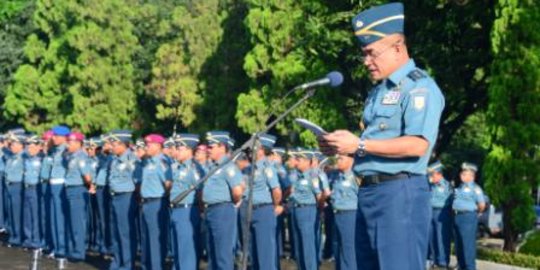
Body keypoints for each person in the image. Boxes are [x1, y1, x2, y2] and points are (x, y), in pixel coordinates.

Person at [318, 3, 445, 269]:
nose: (366, 61)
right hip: (369, 192)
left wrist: (359, 144)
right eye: (364, 54)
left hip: (399, 194)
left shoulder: (419, 87)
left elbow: (418, 145)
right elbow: (374, 145)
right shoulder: (378, 92)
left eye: (371, 53)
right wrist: (343, 147)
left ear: (398, 48)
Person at [240, 134, 283, 270]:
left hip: (263, 211)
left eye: (252, 149)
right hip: (248, 210)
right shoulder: (247, 169)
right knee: (253, 253)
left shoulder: (267, 168)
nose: (249, 152)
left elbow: (276, 191)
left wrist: (273, 206)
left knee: (265, 254)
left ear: (261, 150)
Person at [202, 131, 244, 270]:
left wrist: (231, 203)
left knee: (223, 256)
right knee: (212, 254)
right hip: (211, 211)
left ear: (222, 147)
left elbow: (238, 190)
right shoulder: (213, 166)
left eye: (211, 147)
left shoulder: (228, 166)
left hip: (222, 211)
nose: (209, 150)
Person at [136, 134, 172, 270]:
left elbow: (168, 184)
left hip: (156, 203)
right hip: (145, 203)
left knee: (155, 240)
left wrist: (163, 199)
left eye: (149, 145)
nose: (146, 147)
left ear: (158, 146)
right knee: (146, 239)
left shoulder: (162, 162)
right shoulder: (148, 162)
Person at [170, 134, 204, 270]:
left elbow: (200, 192)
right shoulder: (179, 167)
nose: (176, 151)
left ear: (189, 149)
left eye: (179, 148)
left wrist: (200, 211)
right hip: (176, 210)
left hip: (187, 211)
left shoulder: (194, 169)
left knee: (186, 252)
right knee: (177, 251)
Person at [107, 130, 138, 270]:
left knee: (125, 233)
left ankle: (127, 264)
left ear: (122, 144)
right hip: (115, 197)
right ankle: (117, 262)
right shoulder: (114, 160)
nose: (111, 146)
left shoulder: (131, 159)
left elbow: (137, 181)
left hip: (126, 197)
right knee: (116, 232)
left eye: (114, 144)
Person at [287, 148, 322, 270]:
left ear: (308, 162)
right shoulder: (298, 176)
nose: (297, 162)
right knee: (299, 247)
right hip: (296, 210)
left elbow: (319, 195)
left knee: (308, 247)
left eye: (299, 160)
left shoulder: (313, 176)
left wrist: (319, 210)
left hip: (308, 211)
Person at [64, 131, 94, 261]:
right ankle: (74, 249)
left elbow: (87, 177)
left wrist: (89, 185)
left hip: (78, 190)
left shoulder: (81, 156)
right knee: (72, 222)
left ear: (78, 143)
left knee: (78, 223)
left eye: (70, 142)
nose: (68, 144)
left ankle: (79, 252)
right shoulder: (73, 156)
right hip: (71, 189)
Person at [452, 162, 485, 270]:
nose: (463, 176)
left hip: (468, 217)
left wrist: (475, 213)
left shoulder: (475, 188)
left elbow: (481, 205)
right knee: (459, 245)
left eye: (466, 174)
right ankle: (461, 266)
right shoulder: (460, 187)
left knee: (468, 245)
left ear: (472, 176)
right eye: (462, 174)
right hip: (457, 217)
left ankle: (470, 267)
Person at [329, 154, 359, 270]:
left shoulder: (356, 177)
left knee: (348, 250)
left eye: (341, 158)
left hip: (350, 215)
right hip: (337, 214)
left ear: (351, 160)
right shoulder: (337, 176)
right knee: (337, 248)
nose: (338, 161)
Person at [427, 161, 453, 269]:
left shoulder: (447, 186)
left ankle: (443, 262)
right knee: (431, 236)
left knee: (441, 238)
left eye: (432, 175)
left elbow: (451, 201)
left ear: (439, 174)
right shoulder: (429, 185)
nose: (431, 177)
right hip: (430, 212)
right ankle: (433, 260)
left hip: (442, 213)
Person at [4, 132, 26, 247]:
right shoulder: (12, 157)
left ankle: (18, 237)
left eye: (14, 144)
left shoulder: (23, 156)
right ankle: (13, 236)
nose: (11, 146)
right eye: (11, 144)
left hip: (18, 186)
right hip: (10, 185)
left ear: (21, 145)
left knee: (17, 213)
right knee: (11, 211)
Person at [22, 135, 43, 250]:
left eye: (32, 147)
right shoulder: (27, 159)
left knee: (35, 215)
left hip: (35, 189)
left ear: (38, 147)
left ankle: (36, 241)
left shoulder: (41, 159)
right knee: (27, 215)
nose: (29, 149)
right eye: (28, 147)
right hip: (27, 188)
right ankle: (28, 240)